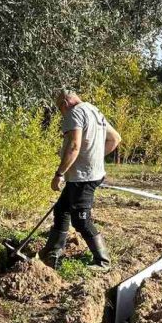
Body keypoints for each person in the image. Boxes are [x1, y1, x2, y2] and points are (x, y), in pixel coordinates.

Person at [40, 90, 121, 272]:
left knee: (81, 220)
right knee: (61, 210)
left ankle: (103, 261)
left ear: (65, 103)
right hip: (88, 174)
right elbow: (115, 139)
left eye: (60, 108)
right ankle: (52, 253)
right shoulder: (94, 110)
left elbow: (74, 145)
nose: (62, 113)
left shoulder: (74, 113)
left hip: (83, 178)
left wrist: (59, 173)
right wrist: (95, 156)